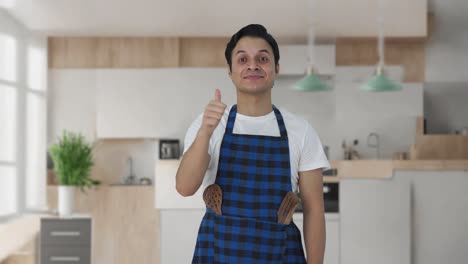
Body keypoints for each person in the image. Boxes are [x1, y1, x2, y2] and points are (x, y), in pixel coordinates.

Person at [176, 24, 329, 264]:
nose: (253, 65)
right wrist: (206, 132)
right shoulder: (209, 124)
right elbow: (184, 187)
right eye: (242, 59)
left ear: (276, 69)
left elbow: (314, 211)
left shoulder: (301, 131)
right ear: (230, 71)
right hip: (218, 253)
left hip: (280, 255)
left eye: (263, 58)